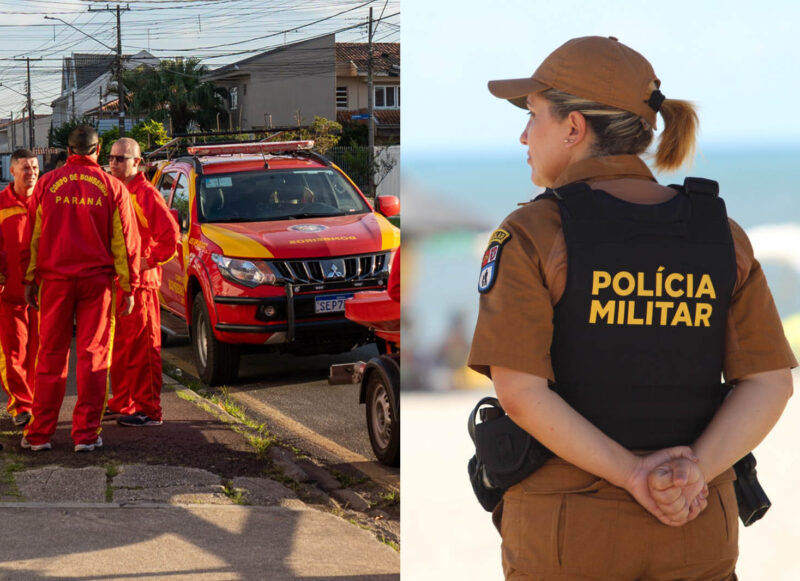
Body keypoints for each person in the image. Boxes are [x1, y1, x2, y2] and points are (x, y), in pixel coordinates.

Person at [468, 36, 795, 580]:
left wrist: (634, 474)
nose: (525, 135)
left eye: (533, 116)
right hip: (696, 524)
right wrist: (691, 473)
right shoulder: (721, 234)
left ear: (574, 128)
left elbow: (521, 394)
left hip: (569, 531)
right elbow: (771, 383)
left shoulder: (532, 233)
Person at [21, 125, 141, 452]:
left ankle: (40, 435)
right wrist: (129, 287)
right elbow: (126, 244)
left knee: (50, 356)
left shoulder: (46, 184)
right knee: (93, 355)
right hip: (97, 284)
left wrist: (29, 280)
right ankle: (86, 435)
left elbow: (32, 237)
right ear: (97, 149)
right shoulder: (113, 187)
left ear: (68, 149)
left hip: (55, 282)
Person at [106, 137, 179, 427]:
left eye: (121, 158)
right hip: (122, 282)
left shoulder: (145, 194)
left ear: (137, 162)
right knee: (122, 347)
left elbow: (170, 237)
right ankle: (123, 402)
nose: (114, 162)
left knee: (144, 348)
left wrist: (148, 262)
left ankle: (149, 410)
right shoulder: (118, 190)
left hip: (142, 284)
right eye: (112, 157)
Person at [0, 149, 40, 427]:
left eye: (35, 167)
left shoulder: (47, 202)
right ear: (12, 171)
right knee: (13, 353)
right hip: (9, 295)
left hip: (43, 295)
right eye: (25, 168)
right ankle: (21, 405)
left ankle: (38, 402)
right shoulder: (1, 205)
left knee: (41, 352)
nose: (32, 173)